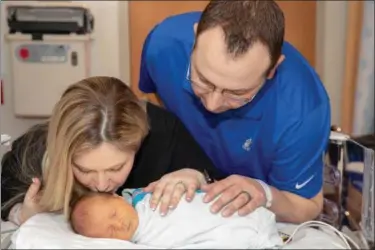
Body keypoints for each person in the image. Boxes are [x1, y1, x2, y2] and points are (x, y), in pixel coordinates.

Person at [138, 0, 331, 223]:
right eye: (202, 80)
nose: (212, 104)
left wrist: (264, 194)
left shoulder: (302, 109)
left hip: (253, 219)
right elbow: (153, 106)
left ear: (272, 70)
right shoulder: (163, 46)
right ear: (195, 38)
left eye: (237, 93)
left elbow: (307, 207)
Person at [1, 76, 221, 225]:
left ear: (139, 142)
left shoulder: (164, 133)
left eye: (116, 167)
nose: (101, 184)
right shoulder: (35, 150)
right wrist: (22, 215)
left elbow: (216, 182)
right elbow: (5, 199)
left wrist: (196, 176)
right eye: (84, 170)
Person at [70, 190, 282, 249]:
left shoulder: (144, 197)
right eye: (110, 231)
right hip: (222, 236)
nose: (118, 224)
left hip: (221, 210)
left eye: (114, 214)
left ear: (117, 197)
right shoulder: (144, 240)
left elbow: (188, 191)